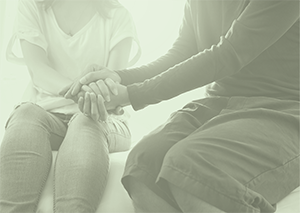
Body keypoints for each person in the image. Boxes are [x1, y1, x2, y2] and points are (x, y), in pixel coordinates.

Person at [64, 0, 300, 213]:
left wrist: (132, 95)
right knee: (143, 166)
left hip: (282, 110)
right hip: (220, 104)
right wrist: (119, 78)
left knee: (190, 168)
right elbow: (181, 53)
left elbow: (226, 55)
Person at [0, 0, 140, 212]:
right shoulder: (32, 6)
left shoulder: (118, 16)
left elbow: (112, 89)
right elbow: (38, 71)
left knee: (86, 122)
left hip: (101, 116)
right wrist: (80, 91)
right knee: (25, 113)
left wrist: (91, 97)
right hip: (46, 114)